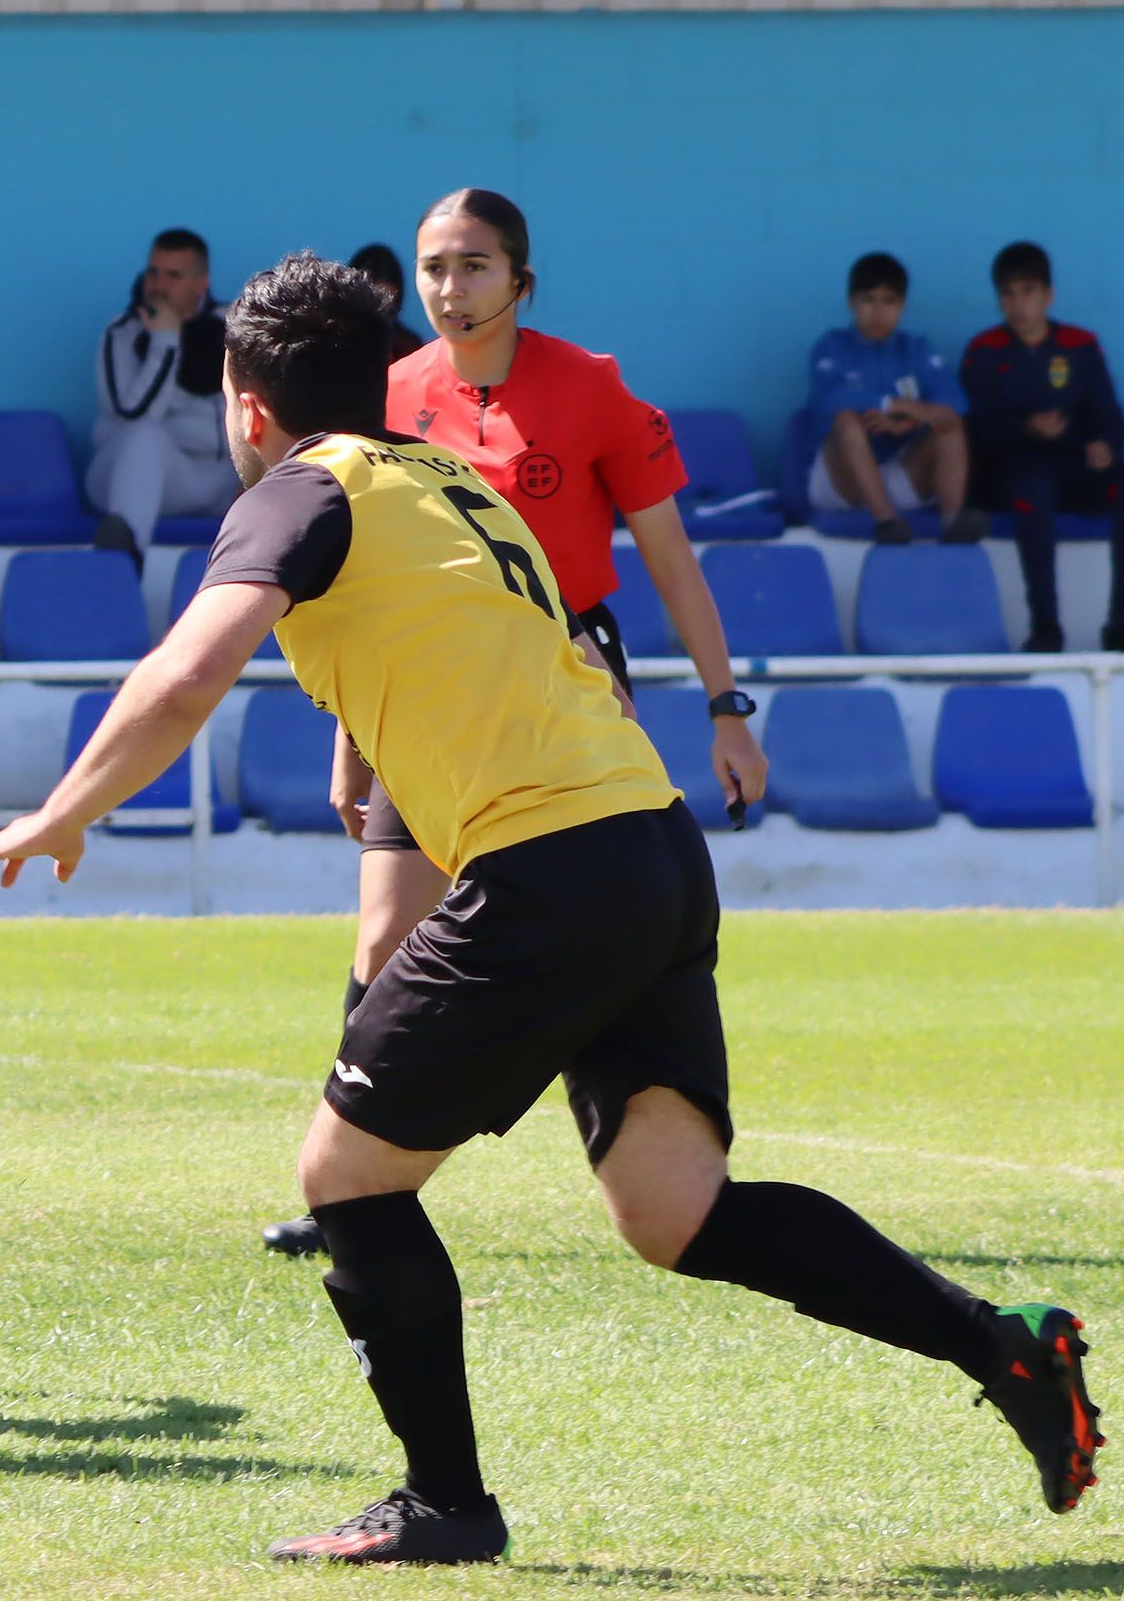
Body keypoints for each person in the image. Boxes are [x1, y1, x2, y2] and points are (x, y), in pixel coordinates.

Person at [0, 253, 1101, 1566]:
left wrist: (67, 807)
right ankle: (1005, 1351)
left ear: (247, 402)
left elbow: (188, 667)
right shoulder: (452, 481)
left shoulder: (297, 489)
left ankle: (447, 1503)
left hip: (551, 868)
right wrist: (366, 744)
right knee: (678, 1213)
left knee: (345, 1178)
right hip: (650, 845)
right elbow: (510, 649)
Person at [260, 188, 768, 1259]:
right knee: (380, 931)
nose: (452, 288)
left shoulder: (590, 387)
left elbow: (670, 557)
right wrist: (351, 736)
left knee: (555, 898)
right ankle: (348, 1176)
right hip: (428, 686)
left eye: (475, 266)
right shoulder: (391, 390)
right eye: (435, 267)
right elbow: (360, 584)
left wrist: (726, 709)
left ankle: (635, 1151)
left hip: (567, 673)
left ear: (521, 281)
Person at [960, 241, 1124, 653]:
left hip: (1076, 470)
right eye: (1008, 294)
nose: (1018, 304)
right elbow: (974, 431)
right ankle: (1046, 629)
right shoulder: (983, 351)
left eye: (1027, 291)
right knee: (1033, 492)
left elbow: (1107, 414)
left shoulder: (1081, 344)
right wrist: (1027, 429)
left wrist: (1107, 446)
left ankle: (1118, 628)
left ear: (1048, 295)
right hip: (1011, 474)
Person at [804, 251, 981, 547]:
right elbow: (828, 399)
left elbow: (957, 403)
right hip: (843, 481)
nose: (878, 311)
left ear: (902, 305)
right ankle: (887, 523)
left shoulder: (915, 349)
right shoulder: (832, 346)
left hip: (901, 472)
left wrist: (908, 420)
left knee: (948, 423)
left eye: (889, 301)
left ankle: (953, 525)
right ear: (852, 303)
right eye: (868, 300)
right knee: (846, 419)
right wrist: (887, 404)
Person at [88, 228, 240, 569]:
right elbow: (133, 413)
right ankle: (119, 569)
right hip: (129, 479)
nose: (159, 285)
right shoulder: (123, 333)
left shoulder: (233, 329)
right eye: (153, 273)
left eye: (174, 276)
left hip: (215, 480)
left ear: (201, 283)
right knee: (145, 436)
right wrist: (165, 341)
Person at [348, 243, 425, 359]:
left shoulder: (408, 347)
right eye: (372, 302)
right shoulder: (335, 342)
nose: (379, 313)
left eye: (387, 305)